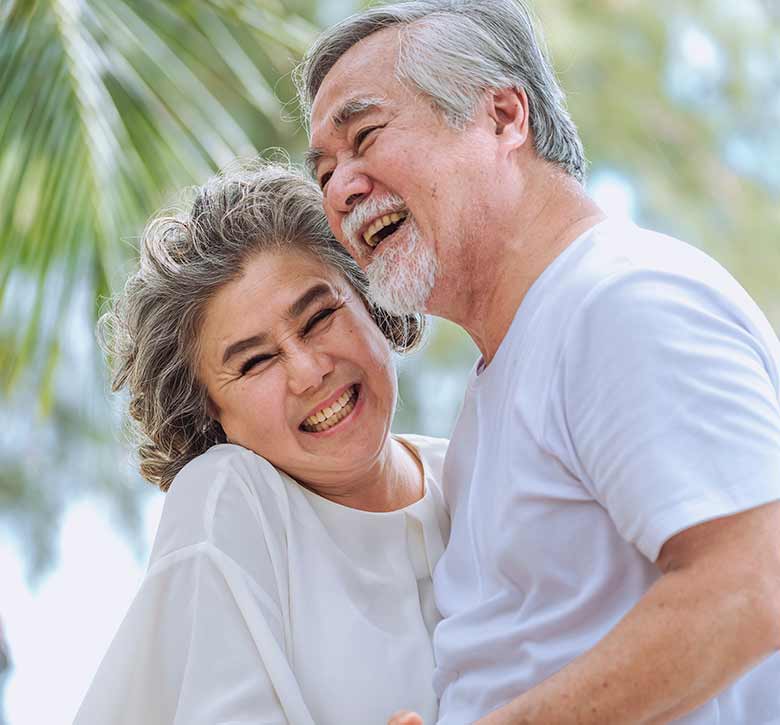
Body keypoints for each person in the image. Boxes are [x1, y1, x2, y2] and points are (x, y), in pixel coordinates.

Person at [298, 1, 780, 723]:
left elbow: (756, 581)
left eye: (365, 136)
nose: (339, 191)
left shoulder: (619, 300)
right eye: (326, 171)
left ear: (502, 117)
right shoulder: (502, 382)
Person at [74, 161, 450, 725]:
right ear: (211, 417)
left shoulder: (482, 469)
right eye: (255, 362)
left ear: (371, 300)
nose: (307, 371)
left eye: (319, 315)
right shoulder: (230, 496)